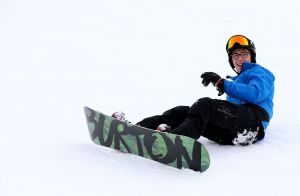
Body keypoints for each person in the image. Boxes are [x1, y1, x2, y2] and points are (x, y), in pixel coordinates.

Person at [113, 35, 275, 145]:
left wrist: (222, 83)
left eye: (244, 54)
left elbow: (255, 94)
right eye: (235, 55)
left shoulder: (259, 72)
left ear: (252, 56)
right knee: (182, 112)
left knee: (205, 104)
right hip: (233, 133)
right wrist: (226, 86)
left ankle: (175, 140)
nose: (240, 58)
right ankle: (134, 130)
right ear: (231, 60)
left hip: (253, 126)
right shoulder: (236, 81)